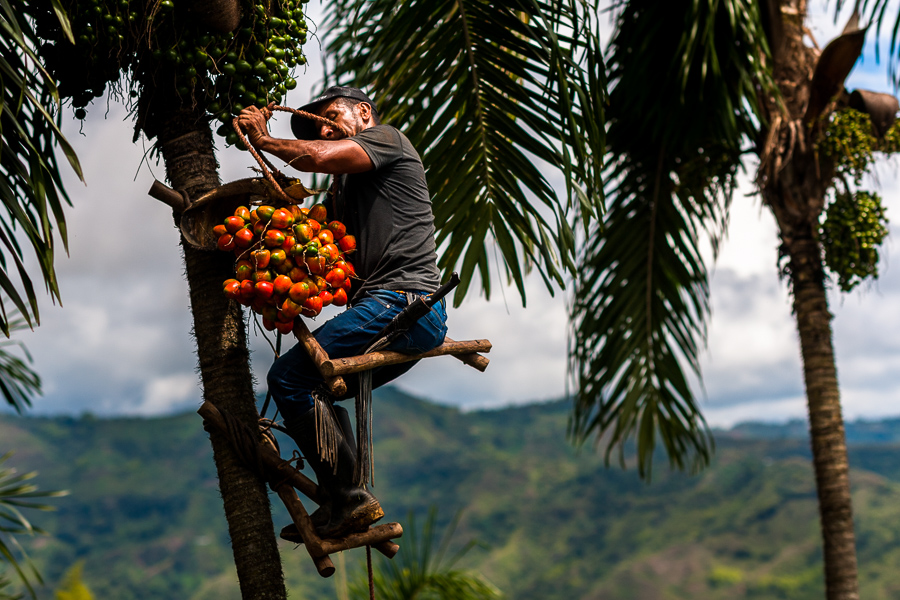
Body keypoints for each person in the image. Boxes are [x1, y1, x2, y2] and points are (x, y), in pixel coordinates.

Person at [237, 86, 448, 538]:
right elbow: (310, 230)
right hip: (393, 309)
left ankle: (349, 498)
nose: (326, 128)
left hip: (403, 302)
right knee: (315, 391)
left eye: (332, 117)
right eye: (320, 126)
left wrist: (266, 139)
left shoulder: (388, 140)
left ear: (364, 113)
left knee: (289, 379)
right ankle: (344, 501)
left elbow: (315, 157)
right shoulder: (345, 188)